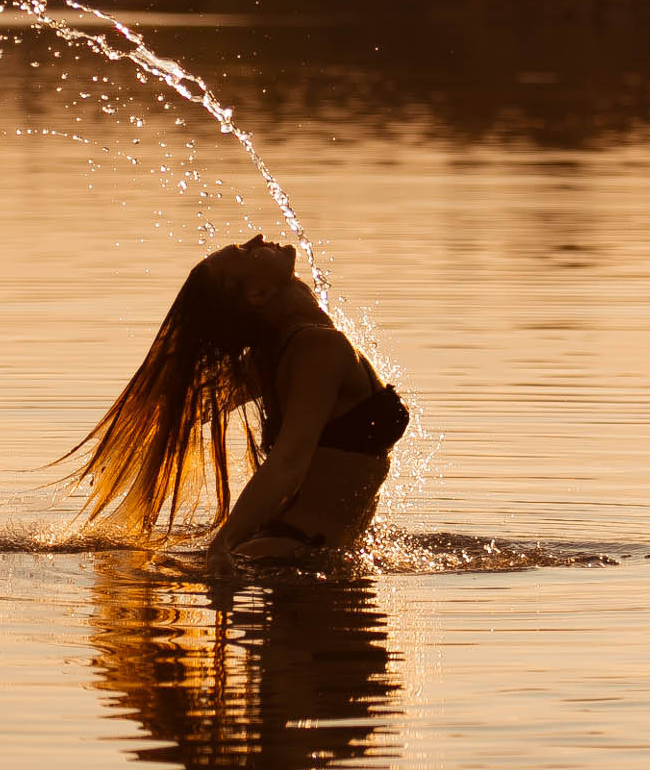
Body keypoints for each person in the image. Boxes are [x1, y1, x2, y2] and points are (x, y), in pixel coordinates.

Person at [71, 233, 407, 568]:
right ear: (259, 293)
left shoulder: (283, 351)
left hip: (299, 552)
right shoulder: (317, 348)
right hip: (290, 554)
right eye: (245, 252)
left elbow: (191, 405)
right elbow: (289, 463)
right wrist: (224, 544)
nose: (257, 238)